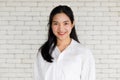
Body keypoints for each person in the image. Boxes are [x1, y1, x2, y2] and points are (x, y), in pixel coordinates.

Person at [34, 5, 95, 80]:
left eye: (65, 23)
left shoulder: (84, 53)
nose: (61, 28)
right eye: (56, 23)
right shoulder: (43, 52)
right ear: (51, 25)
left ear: (72, 24)